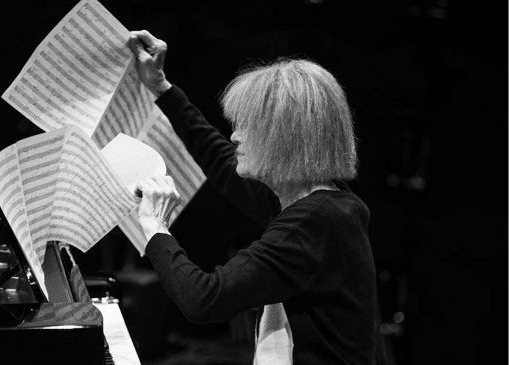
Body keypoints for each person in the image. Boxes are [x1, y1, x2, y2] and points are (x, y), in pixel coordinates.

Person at [129, 30, 378, 364]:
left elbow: (204, 299)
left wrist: (154, 225)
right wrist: (161, 87)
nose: (234, 135)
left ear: (283, 138)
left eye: (246, 126)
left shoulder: (314, 221)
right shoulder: (319, 201)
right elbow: (219, 159)